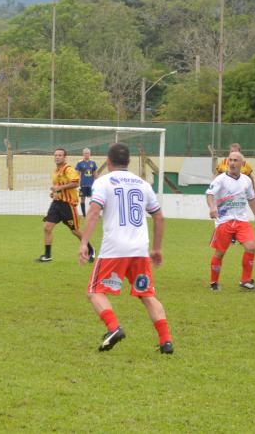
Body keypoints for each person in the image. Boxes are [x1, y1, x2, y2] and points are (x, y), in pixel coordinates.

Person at [78, 143, 173, 354]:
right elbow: (158, 216)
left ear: (108, 162)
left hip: (115, 248)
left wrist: (84, 242)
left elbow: (94, 212)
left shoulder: (103, 182)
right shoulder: (143, 184)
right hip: (139, 249)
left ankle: (114, 328)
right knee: (147, 293)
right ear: (128, 162)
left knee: (94, 291)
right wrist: (156, 249)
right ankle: (166, 341)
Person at [206, 151, 255, 292]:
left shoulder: (246, 180)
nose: (231, 163)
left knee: (251, 247)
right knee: (220, 253)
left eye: (235, 160)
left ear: (242, 164)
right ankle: (214, 283)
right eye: (230, 160)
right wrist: (212, 207)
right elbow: (209, 194)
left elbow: (251, 198)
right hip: (224, 221)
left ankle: (246, 281)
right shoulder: (220, 179)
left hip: (241, 221)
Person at [36, 148, 95, 263]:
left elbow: (76, 183)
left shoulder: (68, 169)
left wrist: (59, 188)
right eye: (56, 155)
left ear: (65, 157)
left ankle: (91, 249)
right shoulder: (56, 171)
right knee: (47, 228)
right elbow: (58, 187)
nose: (57, 157)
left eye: (60, 155)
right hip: (56, 204)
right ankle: (47, 255)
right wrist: (54, 193)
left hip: (68, 205)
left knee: (75, 231)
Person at [75, 148, 98, 218]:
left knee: (94, 199)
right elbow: (77, 174)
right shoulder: (80, 163)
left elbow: (95, 174)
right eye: (85, 153)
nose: (86, 154)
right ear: (83, 154)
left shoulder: (93, 163)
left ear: (90, 154)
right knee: (82, 199)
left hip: (91, 185)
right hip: (83, 184)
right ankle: (84, 215)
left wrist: (98, 181)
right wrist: (77, 183)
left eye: (88, 153)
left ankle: (93, 214)